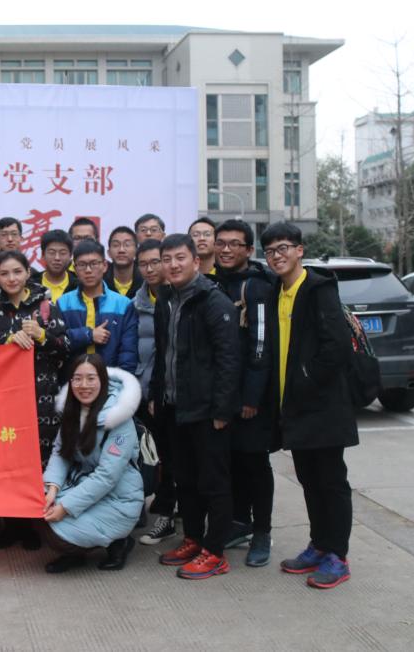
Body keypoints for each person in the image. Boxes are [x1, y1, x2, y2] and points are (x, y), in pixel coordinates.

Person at [262, 222, 357, 589]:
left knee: (331, 481)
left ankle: (338, 556)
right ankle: (319, 545)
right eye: (270, 251)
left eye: (283, 248)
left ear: (300, 250)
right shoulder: (276, 291)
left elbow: (336, 347)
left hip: (322, 406)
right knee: (309, 480)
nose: (277, 256)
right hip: (294, 408)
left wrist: (304, 378)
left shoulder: (318, 288)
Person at [148, 234, 240, 579]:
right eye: (167, 259)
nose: (173, 265)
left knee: (213, 482)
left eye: (180, 258)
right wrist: (157, 394)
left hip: (207, 410)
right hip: (175, 406)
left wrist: (222, 410)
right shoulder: (166, 299)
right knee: (185, 479)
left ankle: (215, 552)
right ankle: (194, 539)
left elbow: (229, 360)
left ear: (196, 261)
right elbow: (163, 354)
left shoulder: (214, 302)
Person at [0, 250, 70, 551]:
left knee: (41, 460)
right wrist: (6, 343)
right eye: (4, 273)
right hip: (4, 399)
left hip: (42, 397)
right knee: (8, 460)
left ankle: (39, 525)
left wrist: (43, 336)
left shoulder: (46, 305)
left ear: (27, 273)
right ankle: (13, 525)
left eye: (17, 272)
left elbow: (66, 347)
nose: (11, 278)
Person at [213, 219, 278, 567]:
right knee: (232, 461)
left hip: (250, 397)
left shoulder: (256, 287)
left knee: (255, 463)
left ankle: (263, 531)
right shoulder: (216, 283)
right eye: (221, 243)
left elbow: (261, 344)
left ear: (249, 250)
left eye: (234, 244)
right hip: (223, 393)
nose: (226, 249)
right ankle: (240, 523)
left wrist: (252, 396)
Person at [42, 355, 144, 573]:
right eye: (77, 379)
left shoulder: (119, 419)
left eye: (91, 378)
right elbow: (60, 454)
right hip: (82, 485)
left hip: (118, 498)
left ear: (103, 380)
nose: (84, 385)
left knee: (55, 532)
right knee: (37, 508)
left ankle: (119, 542)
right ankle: (75, 553)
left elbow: (107, 476)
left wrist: (65, 507)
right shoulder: (72, 411)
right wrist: (52, 489)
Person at [132, 239, 178, 546]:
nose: (150, 269)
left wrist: (156, 394)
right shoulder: (134, 301)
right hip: (142, 389)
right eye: (144, 264)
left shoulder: (175, 298)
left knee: (171, 458)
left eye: (155, 262)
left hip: (167, 392)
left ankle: (167, 516)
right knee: (149, 456)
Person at [56, 240, 138, 373]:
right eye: (82, 265)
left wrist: (121, 381)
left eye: (94, 264)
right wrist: (88, 335)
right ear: (75, 269)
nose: (88, 270)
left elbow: (128, 352)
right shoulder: (63, 303)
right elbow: (57, 342)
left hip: (112, 379)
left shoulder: (123, 304)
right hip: (72, 379)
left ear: (104, 266)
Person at [28, 230, 76, 303]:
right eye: (52, 252)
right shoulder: (31, 285)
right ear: (43, 255)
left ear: (70, 256)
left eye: (63, 253)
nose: (57, 258)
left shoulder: (79, 286)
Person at [105, 226, 142, 299]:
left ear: (136, 251)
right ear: (109, 253)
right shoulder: (100, 282)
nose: (121, 250)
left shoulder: (145, 280)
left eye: (127, 245)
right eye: (116, 245)